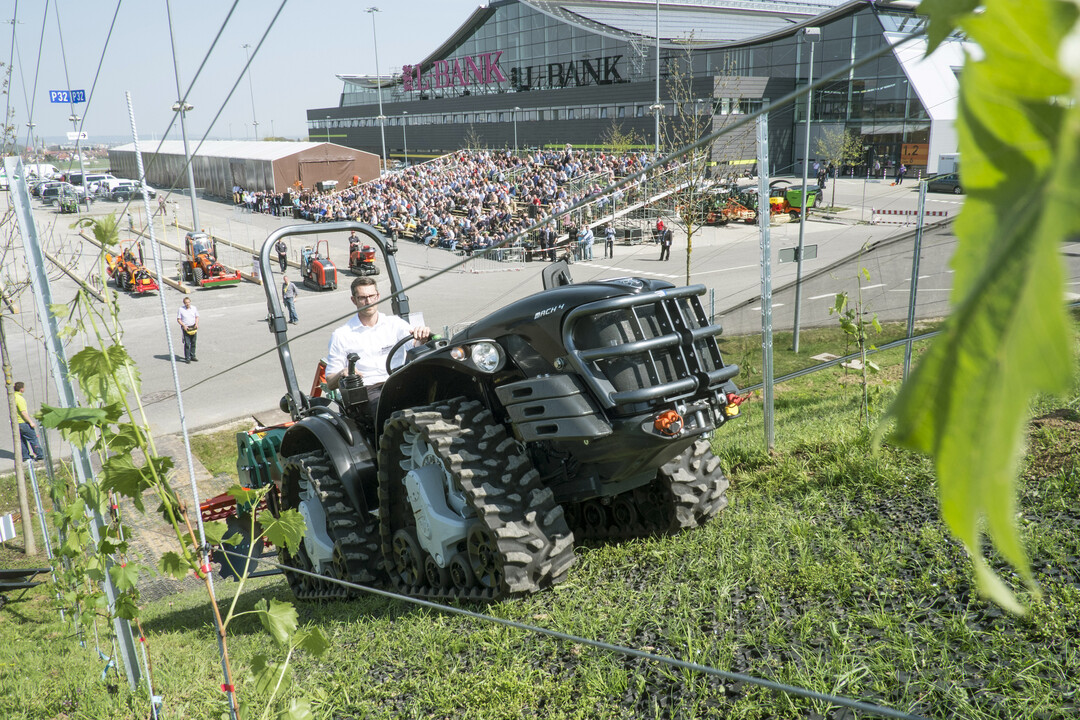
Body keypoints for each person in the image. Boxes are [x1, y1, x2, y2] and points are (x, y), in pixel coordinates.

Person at [325, 277, 431, 412]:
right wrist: (343, 372)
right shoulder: (341, 335)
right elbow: (330, 381)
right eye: (362, 298)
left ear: (378, 296)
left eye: (371, 296)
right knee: (390, 410)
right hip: (368, 389)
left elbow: (415, 346)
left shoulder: (395, 324)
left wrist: (422, 338)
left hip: (399, 381)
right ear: (354, 300)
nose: (368, 301)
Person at [13, 381, 44, 462]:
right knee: (33, 438)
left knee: (22, 441)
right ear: (22, 389)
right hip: (23, 422)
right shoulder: (20, 399)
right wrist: (31, 422)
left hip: (17, 423)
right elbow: (23, 413)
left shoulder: (13, 397)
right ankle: (40, 455)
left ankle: (26, 457)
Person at [177, 296, 199, 363]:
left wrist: (196, 324)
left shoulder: (194, 308)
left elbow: (197, 317)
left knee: (193, 342)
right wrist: (183, 325)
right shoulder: (181, 309)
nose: (187, 304)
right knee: (187, 343)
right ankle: (187, 358)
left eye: (188, 302)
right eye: (186, 303)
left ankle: (193, 356)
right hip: (186, 327)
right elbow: (178, 319)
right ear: (184, 303)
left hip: (193, 327)